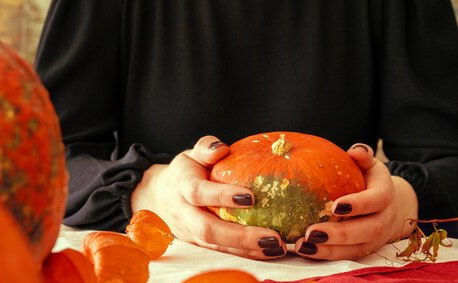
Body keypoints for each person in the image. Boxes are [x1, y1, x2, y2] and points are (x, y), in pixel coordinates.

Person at [34, 0, 458, 261]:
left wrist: (400, 204)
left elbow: (448, 160)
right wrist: (151, 192)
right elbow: (41, 160)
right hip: (161, 281)